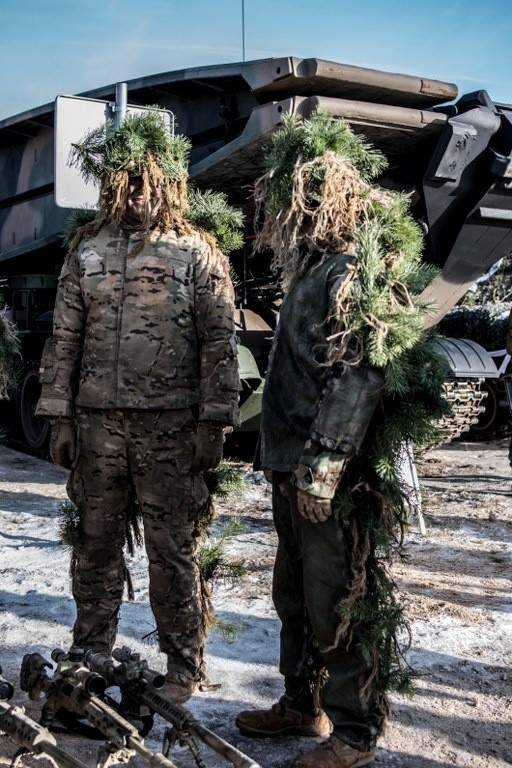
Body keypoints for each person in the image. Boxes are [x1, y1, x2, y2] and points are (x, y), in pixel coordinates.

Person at [235, 111, 447, 767]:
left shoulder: (351, 273)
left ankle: (356, 734)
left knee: (339, 602)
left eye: (306, 201)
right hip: (288, 466)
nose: (292, 213)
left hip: (329, 476)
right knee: (295, 595)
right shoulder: (313, 271)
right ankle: (305, 704)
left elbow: (360, 375)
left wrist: (323, 471)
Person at [35, 111, 240, 704]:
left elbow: (219, 340)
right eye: (127, 182)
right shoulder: (87, 252)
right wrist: (60, 414)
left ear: (170, 183)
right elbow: (64, 338)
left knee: (170, 549)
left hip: (171, 429)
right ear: (111, 187)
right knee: (94, 544)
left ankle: (183, 665)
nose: (139, 194)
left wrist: (214, 420)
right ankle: (91, 651)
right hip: (98, 427)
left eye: (149, 182)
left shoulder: (196, 252)